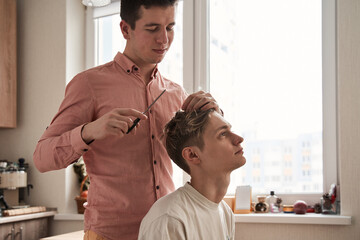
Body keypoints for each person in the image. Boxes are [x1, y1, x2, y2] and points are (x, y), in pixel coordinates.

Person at [33, 0, 220, 239]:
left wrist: (212, 113)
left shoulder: (176, 94)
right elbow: (41, 158)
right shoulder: (89, 85)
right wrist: (89, 130)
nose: (163, 39)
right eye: (152, 29)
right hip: (111, 234)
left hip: (166, 231)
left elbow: (205, 160)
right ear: (125, 29)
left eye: (170, 27)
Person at [138, 109, 246, 240]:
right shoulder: (170, 220)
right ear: (192, 155)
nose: (239, 139)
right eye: (223, 134)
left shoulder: (225, 212)